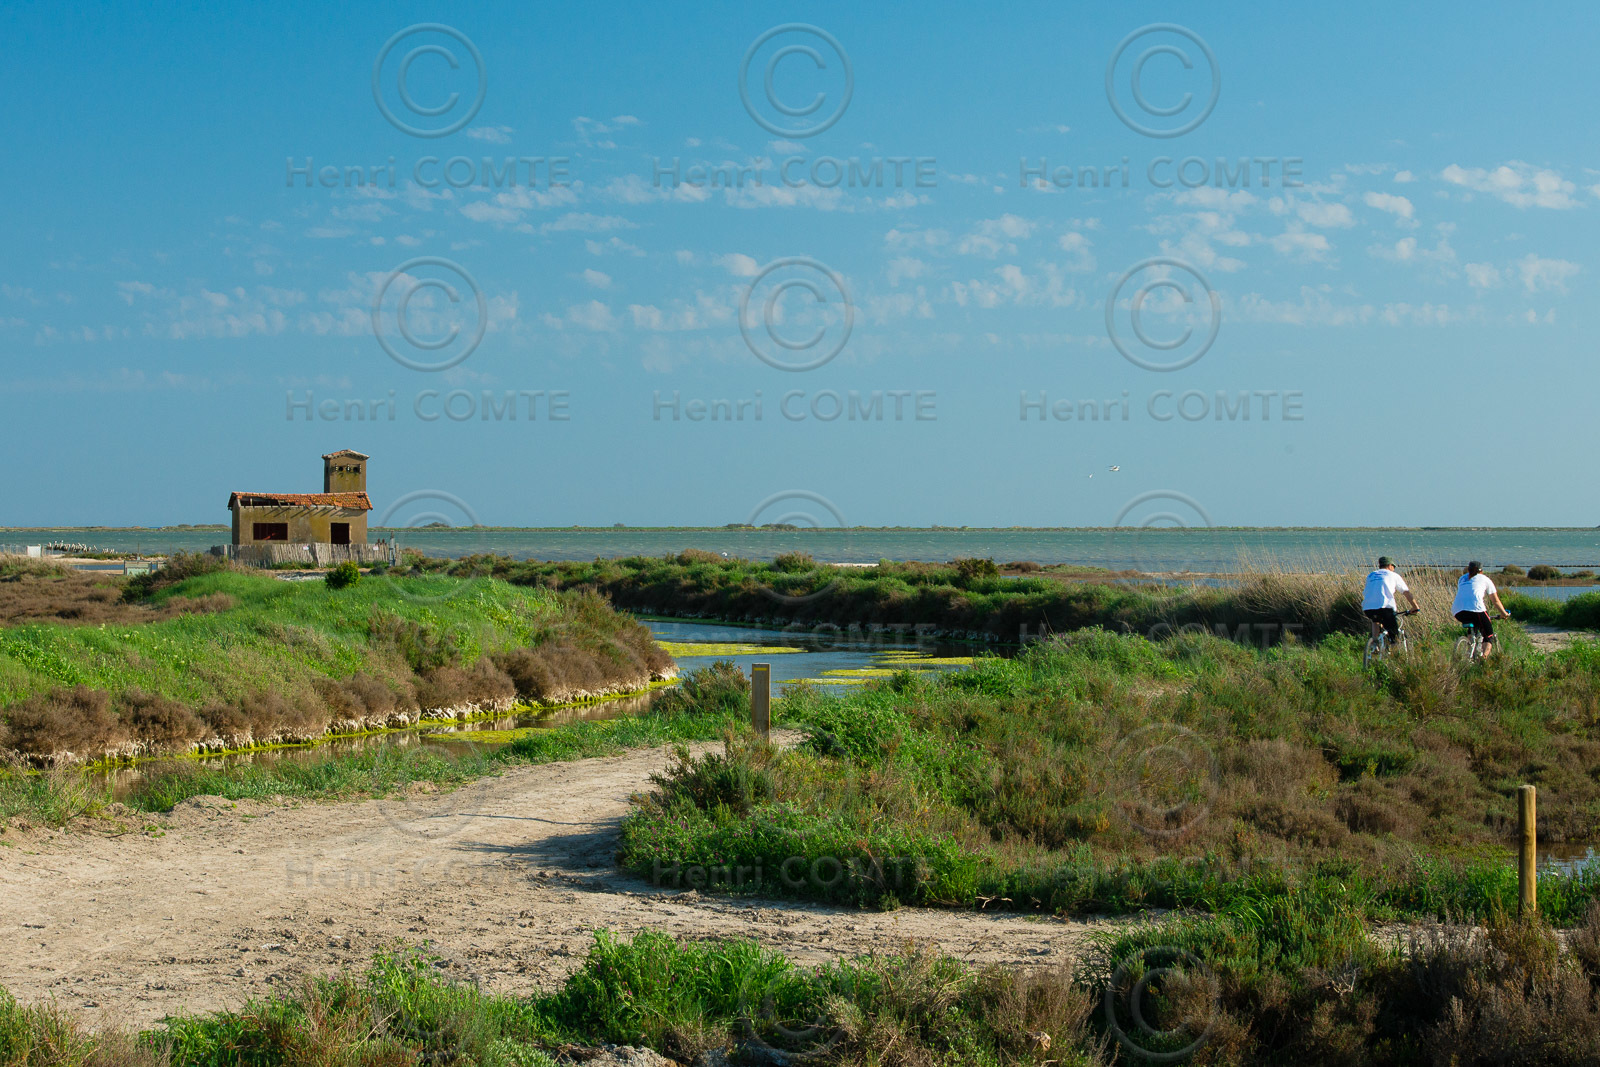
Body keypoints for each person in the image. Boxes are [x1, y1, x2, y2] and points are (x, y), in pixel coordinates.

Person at [1452, 561, 1511, 657]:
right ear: (1481, 571)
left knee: (1473, 625)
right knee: (1488, 636)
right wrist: (1504, 613)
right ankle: (1483, 659)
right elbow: (1495, 601)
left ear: (1468, 570)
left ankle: (1470, 649)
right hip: (1476, 609)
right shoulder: (1485, 579)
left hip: (1457, 611)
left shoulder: (1461, 579)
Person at [1362, 556, 1420, 646]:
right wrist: (1415, 607)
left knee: (1375, 619)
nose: (1394, 569)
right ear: (1390, 566)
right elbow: (1406, 593)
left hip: (1367, 608)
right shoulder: (1393, 575)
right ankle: (1394, 650)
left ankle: (1375, 643)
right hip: (1385, 607)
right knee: (1394, 635)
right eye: (1394, 567)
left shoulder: (1371, 575)